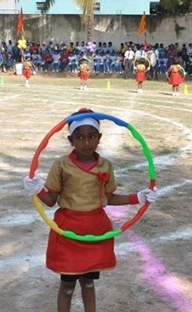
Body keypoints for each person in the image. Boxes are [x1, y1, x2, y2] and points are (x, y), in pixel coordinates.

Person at [23, 108, 159, 312]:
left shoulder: (105, 166)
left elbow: (109, 197)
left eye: (91, 136)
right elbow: (51, 201)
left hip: (96, 229)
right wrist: (38, 189)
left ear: (99, 138)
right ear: (71, 140)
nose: (86, 142)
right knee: (67, 286)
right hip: (69, 230)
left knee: (88, 283)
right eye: (79, 137)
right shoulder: (61, 165)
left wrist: (138, 197)